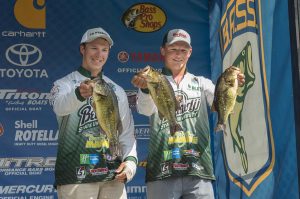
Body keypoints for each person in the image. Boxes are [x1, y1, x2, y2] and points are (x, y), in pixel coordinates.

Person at [131, 29, 245, 199]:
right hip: (162, 169)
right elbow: (145, 110)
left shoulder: (201, 83)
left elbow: (220, 99)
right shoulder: (153, 80)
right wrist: (146, 89)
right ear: (163, 50)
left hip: (198, 169)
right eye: (173, 49)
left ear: (190, 52)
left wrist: (234, 85)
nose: (178, 54)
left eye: (183, 50)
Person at [49, 27, 137, 199]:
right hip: (76, 176)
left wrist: (130, 164)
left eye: (104, 50)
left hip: (113, 175)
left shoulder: (117, 90)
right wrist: (77, 94)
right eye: (94, 48)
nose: (99, 54)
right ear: (83, 49)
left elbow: (126, 133)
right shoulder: (64, 84)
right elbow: (59, 107)